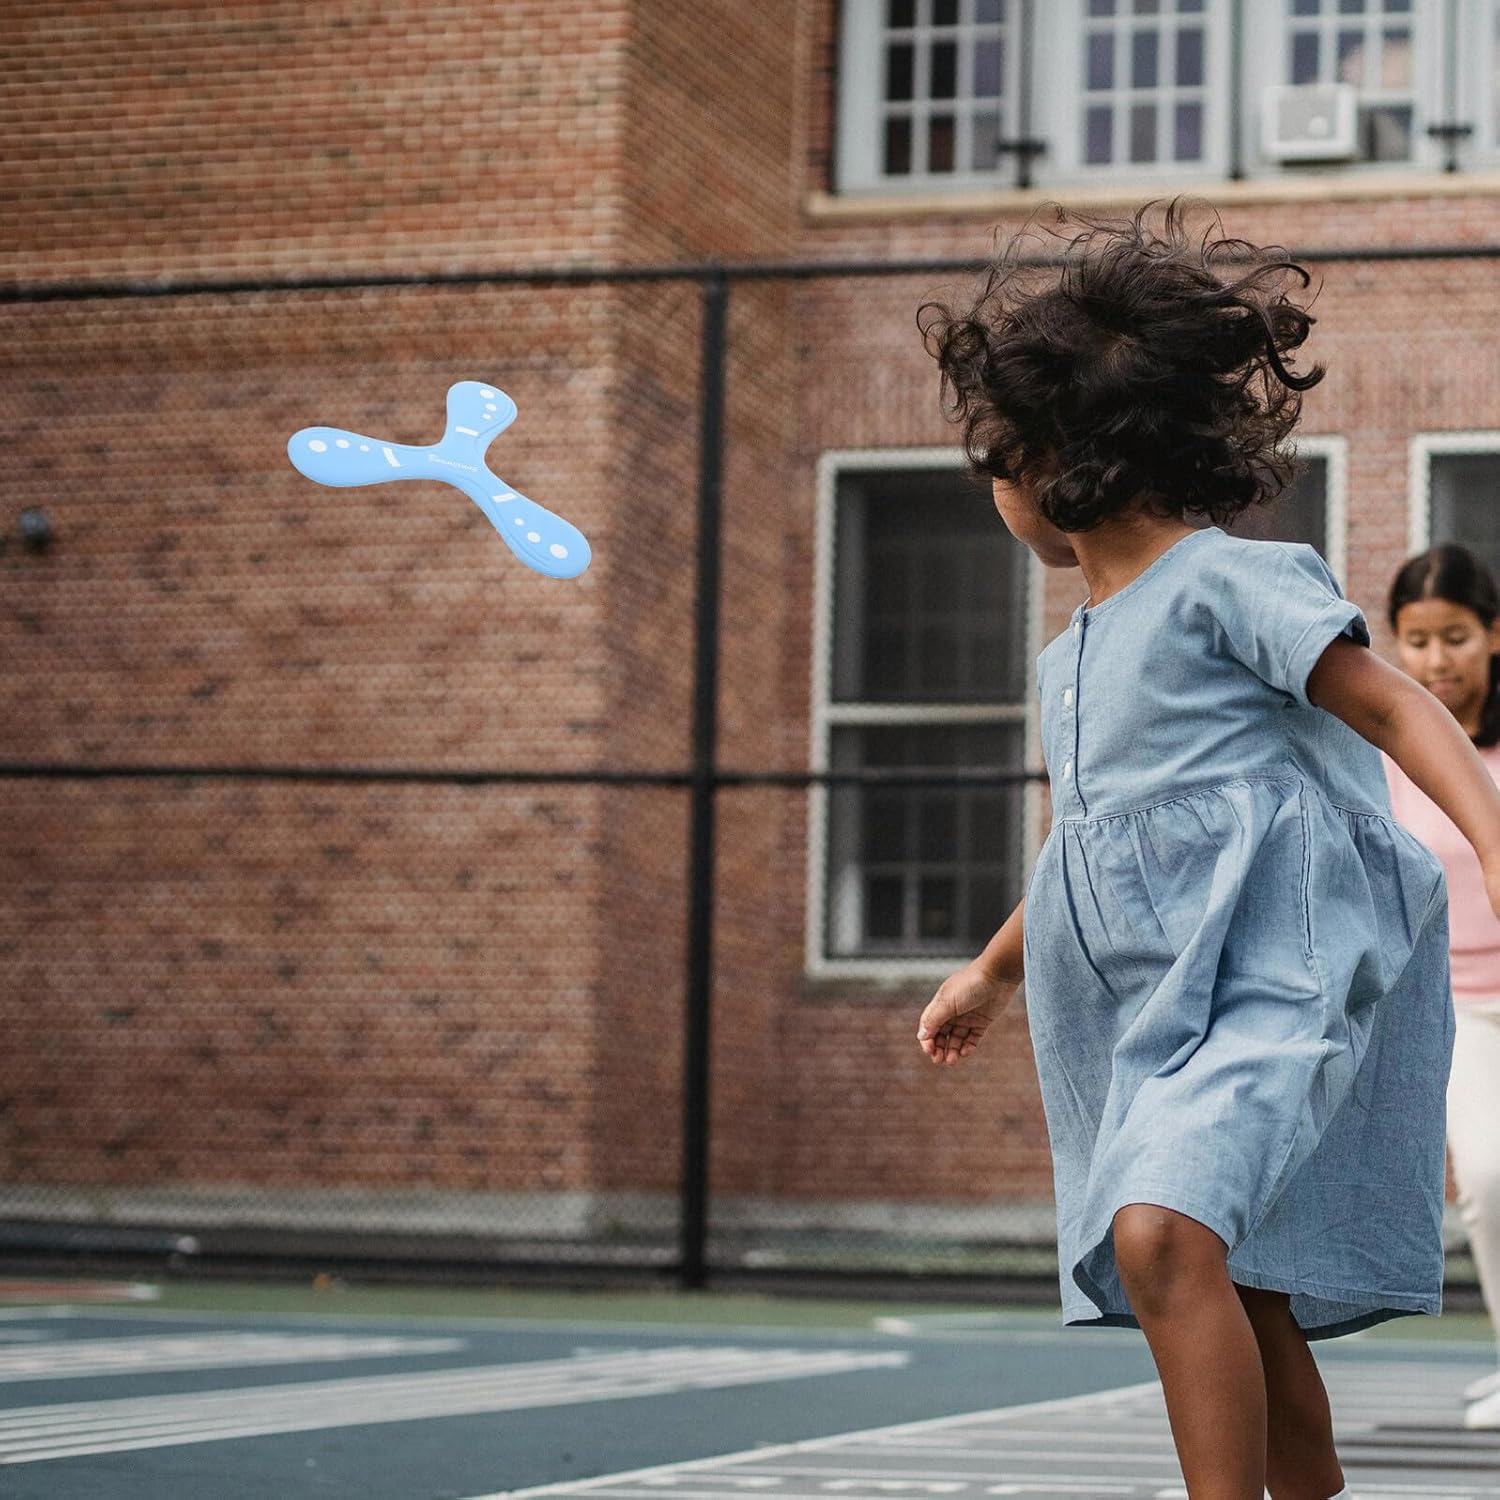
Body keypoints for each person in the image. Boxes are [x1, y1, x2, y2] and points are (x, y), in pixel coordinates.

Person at [912, 198, 1500, 1500]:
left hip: (1271, 984)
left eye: (994, 466)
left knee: (1163, 1238)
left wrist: (1494, 839)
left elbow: (1394, 706)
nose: (995, 495)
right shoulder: (1071, 658)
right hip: (1153, 1015)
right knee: (1244, 1282)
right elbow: (1084, 851)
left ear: (1052, 459)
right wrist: (993, 971)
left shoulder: (1229, 583)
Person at [1382, 543, 1500, 1430]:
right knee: (1491, 1178)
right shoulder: (1383, 748)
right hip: (1457, 1009)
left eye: (1454, 638)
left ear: (1494, 635)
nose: (1436, 661)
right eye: (1417, 642)